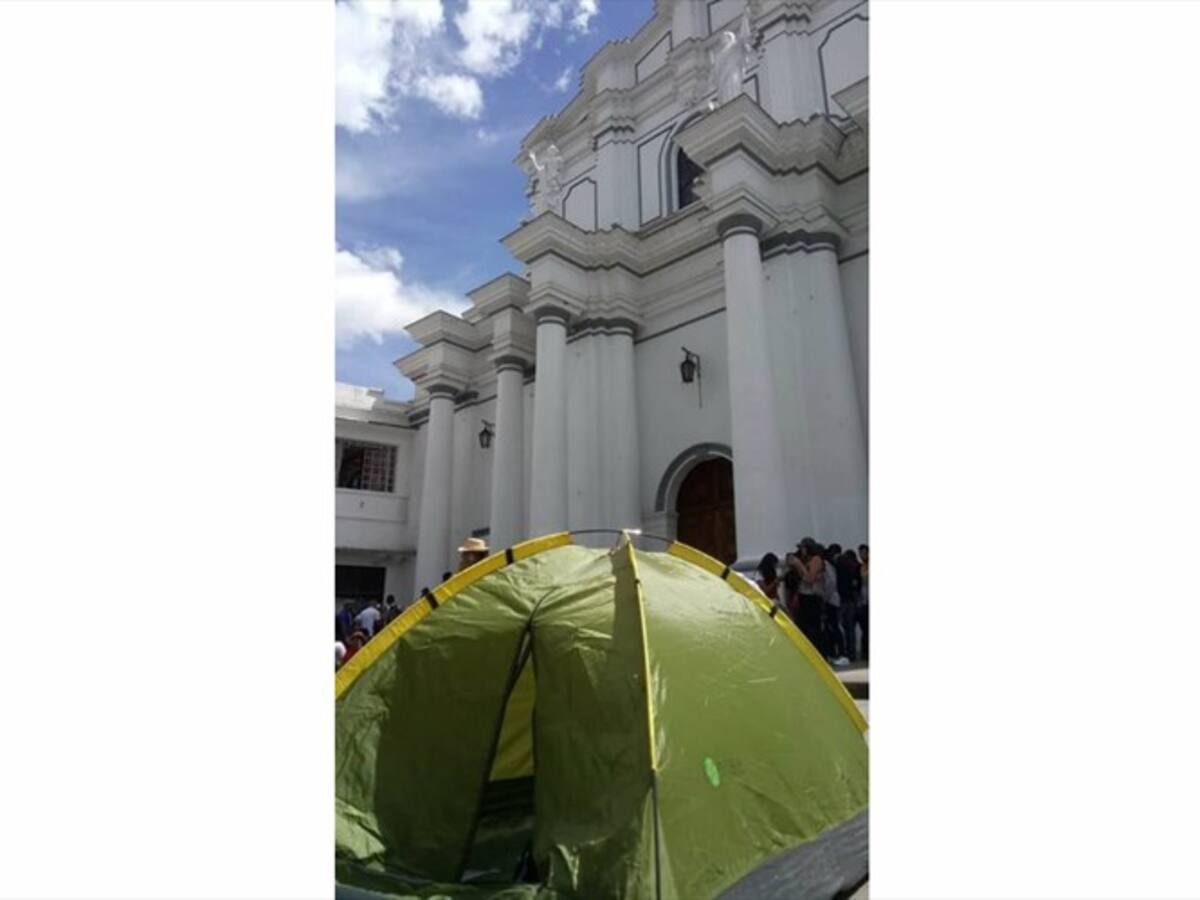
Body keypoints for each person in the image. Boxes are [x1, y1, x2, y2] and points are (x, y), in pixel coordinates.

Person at [791, 539, 826, 652]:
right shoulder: (806, 560)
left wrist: (799, 565)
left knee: (814, 627)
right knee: (804, 626)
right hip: (804, 596)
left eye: (803, 548)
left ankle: (819, 652)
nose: (801, 551)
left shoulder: (816, 559)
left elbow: (810, 579)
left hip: (813, 597)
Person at [820, 544, 848, 666]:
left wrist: (825, 598)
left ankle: (842, 653)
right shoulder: (828, 565)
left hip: (831, 600)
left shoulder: (826, 565)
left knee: (835, 626)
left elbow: (830, 583)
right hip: (831, 599)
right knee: (831, 627)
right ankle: (834, 652)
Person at [836, 548, 863, 661]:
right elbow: (857, 586)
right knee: (850, 629)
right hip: (851, 601)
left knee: (841, 626)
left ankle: (845, 651)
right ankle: (852, 653)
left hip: (841, 601)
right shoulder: (855, 569)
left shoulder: (839, 568)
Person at [857, 544, 869, 661]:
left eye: (864, 553)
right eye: (860, 553)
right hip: (864, 601)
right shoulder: (862, 566)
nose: (862, 555)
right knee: (865, 628)